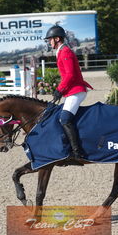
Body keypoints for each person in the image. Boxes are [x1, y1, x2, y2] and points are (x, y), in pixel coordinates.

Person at [45, 25, 93, 159]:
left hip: (76, 91)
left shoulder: (65, 52)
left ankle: (77, 152)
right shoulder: (61, 51)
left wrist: (59, 90)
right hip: (71, 91)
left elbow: (70, 75)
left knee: (64, 119)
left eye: (50, 40)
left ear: (57, 38)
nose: (49, 42)